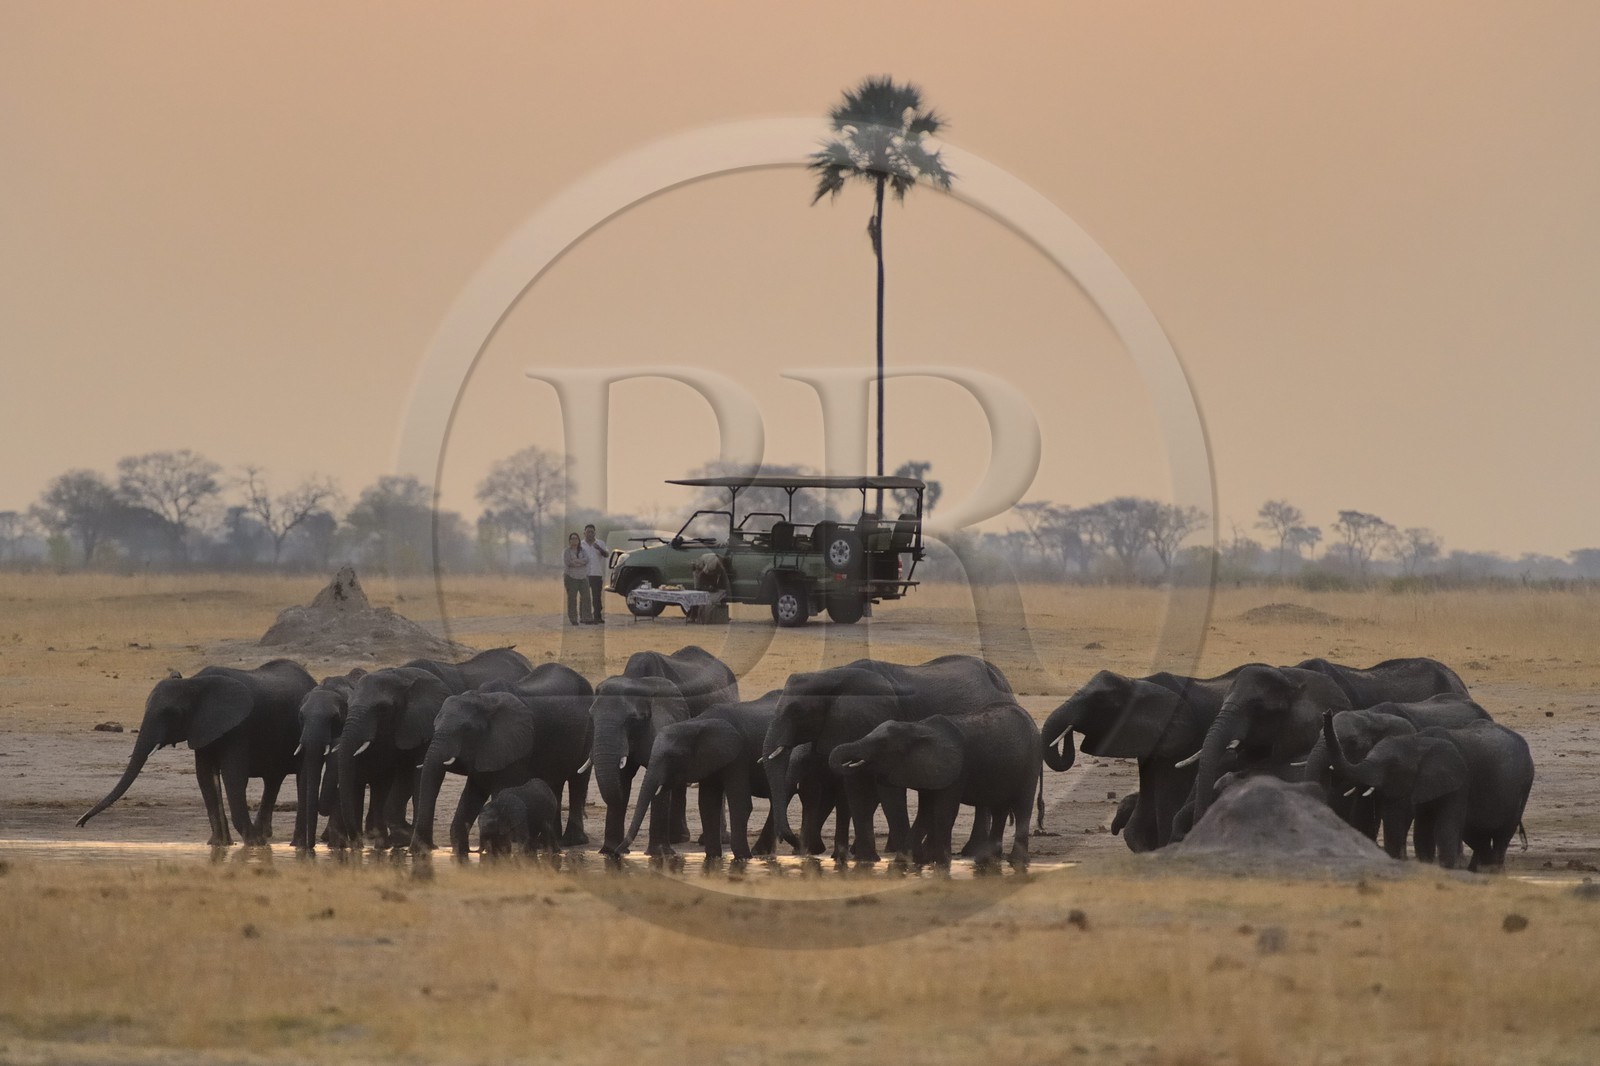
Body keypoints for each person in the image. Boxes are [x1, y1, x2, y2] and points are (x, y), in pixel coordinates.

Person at [580, 524, 609, 624]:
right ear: (584, 533)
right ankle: (584, 617)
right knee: (584, 597)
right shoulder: (580, 545)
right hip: (584, 575)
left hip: (597, 574)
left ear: (595, 533)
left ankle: (597, 617)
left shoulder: (600, 543)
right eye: (588, 532)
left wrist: (599, 549)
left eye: (592, 532)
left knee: (597, 597)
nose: (590, 534)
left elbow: (607, 555)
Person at [562, 532, 591, 625]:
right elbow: (569, 562)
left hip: (583, 577)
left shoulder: (583, 550)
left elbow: (587, 560)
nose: (574, 540)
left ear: (579, 540)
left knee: (586, 598)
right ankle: (573, 619)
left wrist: (576, 561)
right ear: (569, 540)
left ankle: (586, 617)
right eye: (572, 538)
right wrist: (580, 562)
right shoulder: (567, 551)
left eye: (576, 538)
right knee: (572, 598)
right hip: (571, 577)